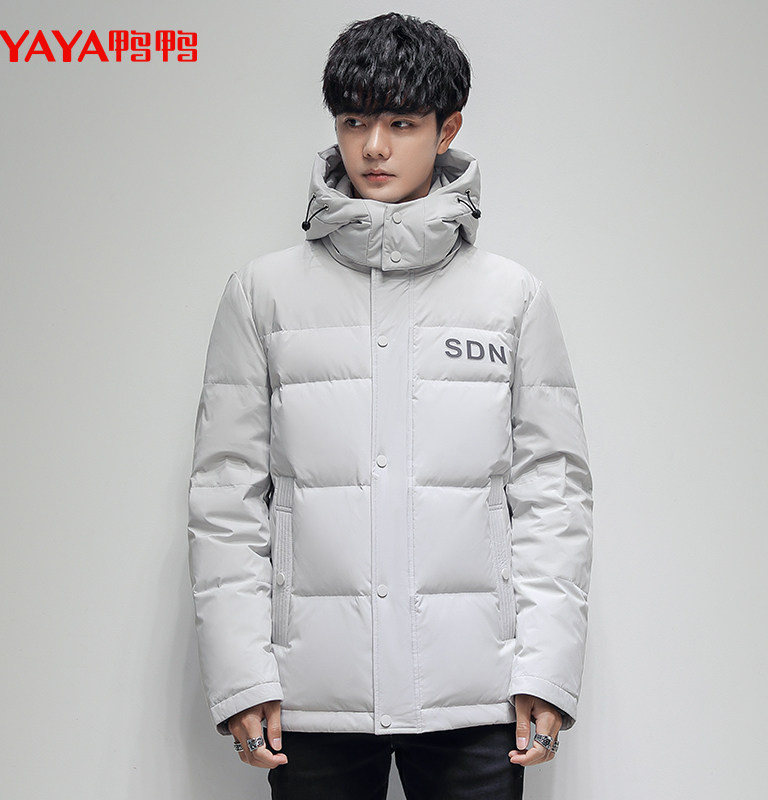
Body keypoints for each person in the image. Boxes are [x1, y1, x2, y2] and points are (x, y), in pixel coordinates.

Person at [187, 12, 593, 800]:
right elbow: (224, 498)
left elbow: (555, 498)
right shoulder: (263, 294)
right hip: (311, 697)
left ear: (447, 131)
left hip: (478, 697)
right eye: (354, 122)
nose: (373, 147)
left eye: (401, 124)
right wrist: (242, 677)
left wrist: (547, 671)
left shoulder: (511, 299)